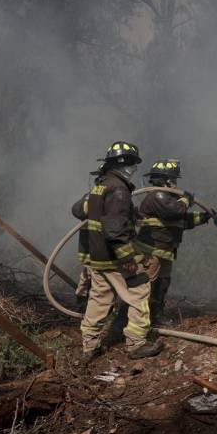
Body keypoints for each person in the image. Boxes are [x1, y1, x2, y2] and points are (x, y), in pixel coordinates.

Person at [71, 141, 163, 363]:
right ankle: (136, 343)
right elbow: (114, 229)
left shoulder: (100, 186)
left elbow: (82, 211)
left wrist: (135, 217)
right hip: (114, 257)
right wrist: (127, 259)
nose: (133, 169)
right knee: (140, 292)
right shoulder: (119, 189)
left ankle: (89, 347)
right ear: (123, 163)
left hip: (97, 256)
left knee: (99, 299)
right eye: (132, 164)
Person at [135, 159, 212, 324]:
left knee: (161, 285)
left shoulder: (168, 199)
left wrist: (204, 217)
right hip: (150, 251)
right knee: (145, 287)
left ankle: (155, 316)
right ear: (166, 180)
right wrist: (186, 199)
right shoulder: (157, 195)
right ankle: (135, 324)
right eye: (174, 180)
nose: (176, 183)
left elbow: (180, 222)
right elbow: (175, 212)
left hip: (165, 251)